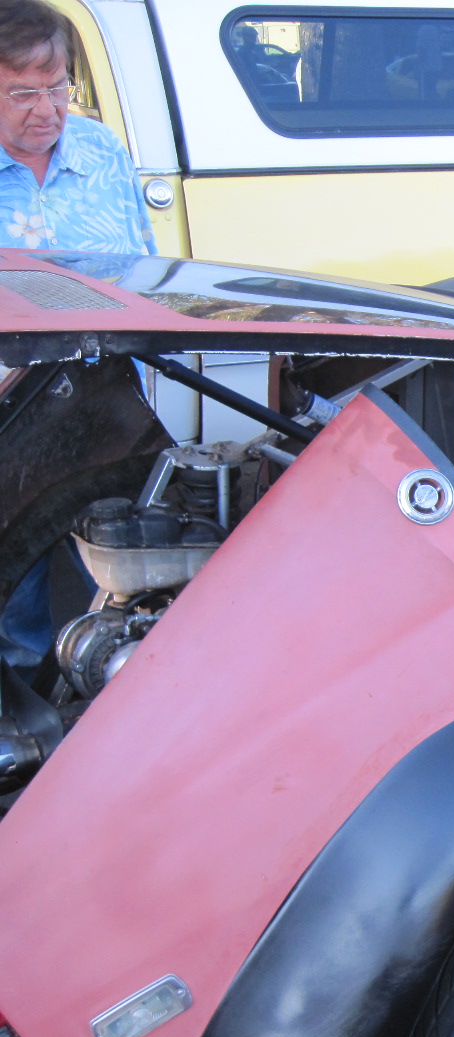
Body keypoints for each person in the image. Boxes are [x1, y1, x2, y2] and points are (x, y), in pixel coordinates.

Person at [0, 0, 152, 676]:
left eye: (57, 87)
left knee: (121, 564)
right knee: (15, 578)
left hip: (102, 396)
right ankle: (19, 690)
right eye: (21, 93)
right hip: (11, 407)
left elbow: (142, 267)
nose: (47, 110)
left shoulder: (101, 151)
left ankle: (105, 684)